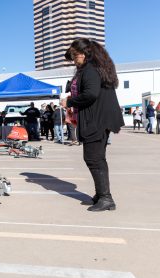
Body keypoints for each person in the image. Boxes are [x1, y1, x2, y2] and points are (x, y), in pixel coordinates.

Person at [64, 38, 124, 212]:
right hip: (100, 118)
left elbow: (90, 94)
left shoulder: (89, 70)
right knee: (98, 158)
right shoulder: (97, 68)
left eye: (75, 56)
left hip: (96, 120)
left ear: (84, 54)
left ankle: (106, 198)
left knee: (92, 158)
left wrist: (69, 101)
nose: (74, 61)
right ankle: (101, 195)